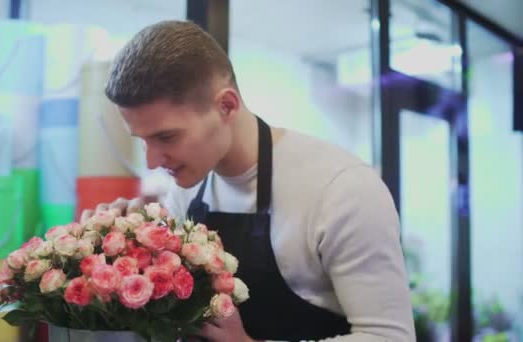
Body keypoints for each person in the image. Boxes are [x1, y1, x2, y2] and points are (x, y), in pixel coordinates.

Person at [81, 20, 415, 342]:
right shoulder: (185, 191)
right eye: (142, 139)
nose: (152, 162)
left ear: (226, 106)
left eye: (167, 137)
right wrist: (127, 248)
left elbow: (389, 337)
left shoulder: (341, 189)